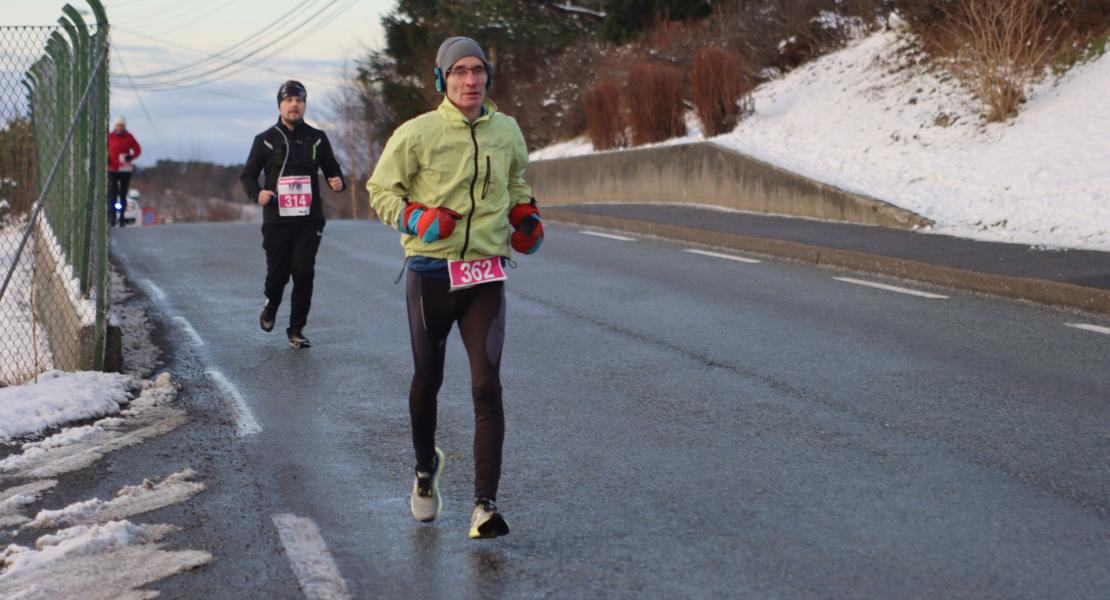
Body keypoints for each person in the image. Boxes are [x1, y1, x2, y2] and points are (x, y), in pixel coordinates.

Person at [367, 36, 544, 539]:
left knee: (487, 385)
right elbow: (380, 191)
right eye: (460, 72)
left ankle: (484, 505)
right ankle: (426, 470)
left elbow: (516, 182)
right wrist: (417, 217)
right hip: (430, 274)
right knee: (428, 380)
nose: (471, 80)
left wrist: (525, 213)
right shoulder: (416, 134)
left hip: (485, 274)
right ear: (442, 78)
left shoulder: (506, 130)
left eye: (479, 71)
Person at [240, 80, 346, 348]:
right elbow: (248, 175)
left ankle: (296, 329)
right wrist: (257, 194)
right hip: (277, 219)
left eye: (299, 100)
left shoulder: (317, 138)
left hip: (309, 219)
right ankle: (272, 303)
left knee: (303, 271)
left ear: (304, 105)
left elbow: (333, 169)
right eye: (289, 100)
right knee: (278, 275)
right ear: (280, 105)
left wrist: (337, 182)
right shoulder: (265, 139)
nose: (294, 105)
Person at [107, 115, 141, 228]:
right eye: (118, 125)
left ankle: (121, 217)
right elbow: (104, 148)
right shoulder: (110, 137)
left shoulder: (129, 137)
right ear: (115, 126)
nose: (119, 128)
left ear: (124, 126)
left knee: (123, 193)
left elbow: (137, 149)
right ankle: (112, 217)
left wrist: (131, 157)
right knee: (112, 192)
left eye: (121, 126)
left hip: (124, 169)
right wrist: (107, 158)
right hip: (112, 168)